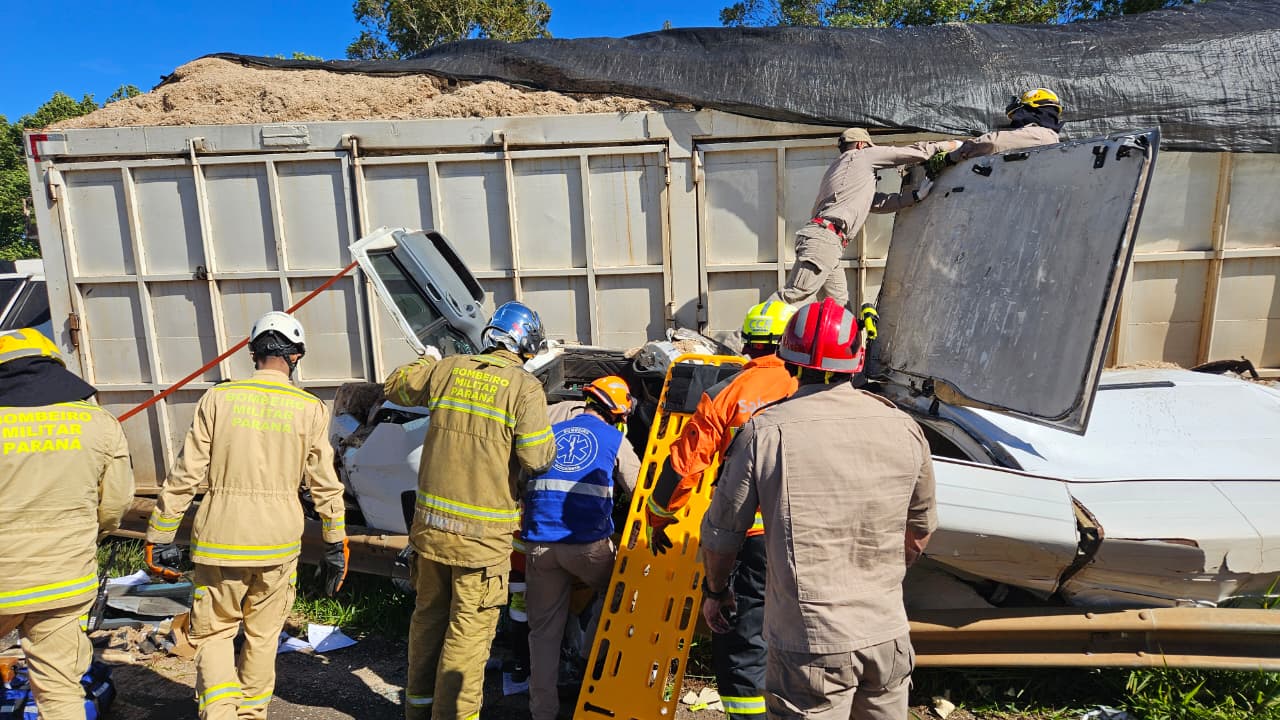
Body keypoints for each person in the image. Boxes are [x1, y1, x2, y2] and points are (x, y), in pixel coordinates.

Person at [700, 299, 937, 720]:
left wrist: (716, 592)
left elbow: (722, 534)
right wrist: (881, 580)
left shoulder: (766, 432)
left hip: (810, 645)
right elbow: (920, 531)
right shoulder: (904, 427)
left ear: (789, 360)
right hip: (886, 635)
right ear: (856, 360)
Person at [145, 311, 348, 720]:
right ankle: (253, 714)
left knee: (216, 633)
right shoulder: (309, 408)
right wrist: (334, 542)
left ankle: (220, 713)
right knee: (262, 636)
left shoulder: (219, 399)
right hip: (278, 543)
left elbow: (186, 473)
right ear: (297, 357)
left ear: (252, 351)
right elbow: (325, 484)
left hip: (220, 539)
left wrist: (159, 535)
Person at [386, 300, 556, 720]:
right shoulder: (523, 388)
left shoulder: (447, 370)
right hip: (480, 545)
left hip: (430, 533)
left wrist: (425, 357)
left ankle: (417, 712)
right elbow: (537, 459)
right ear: (526, 345)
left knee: (428, 622)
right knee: (468, 634)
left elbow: (396, 386)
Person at [642, 300, 798, 720]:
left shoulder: (726, 393)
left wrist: (659, 517)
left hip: (749, 539)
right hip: (807, 532)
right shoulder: (807, 388)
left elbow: (683, 466)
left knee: (742, 638)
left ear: (748, 343)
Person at [0, 328, 133, 720]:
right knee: (60, 692)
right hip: (63, 579)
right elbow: (116, 505)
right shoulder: (98, 423)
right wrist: (87, 535)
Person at [523, 376, 640, 720]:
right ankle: (591, 659)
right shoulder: (614, 439)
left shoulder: (551, 433)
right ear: (618, 414)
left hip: (539, 545)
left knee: (542, 633)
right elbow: (639, 490)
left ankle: (542, 711)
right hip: (586, 546)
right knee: (620, 594)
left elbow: (522, 483)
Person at [770, 128, 960, 310]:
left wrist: (915, 196)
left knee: (840, 308)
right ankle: (741, 341)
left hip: (827, 241)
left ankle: (848, 345)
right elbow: (907, 153)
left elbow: (875, 202)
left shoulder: (843, 170)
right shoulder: (860, 156)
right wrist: (951, 145)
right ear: (862, 144)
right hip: (825, 240)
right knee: (793, 296)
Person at [927, 88, 1065, 177]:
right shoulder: (1047, 136)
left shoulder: (1038, 134)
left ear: (1031, 109)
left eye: (1018, 114)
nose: (1015, 121)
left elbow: (992, 143)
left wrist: (949, 158)